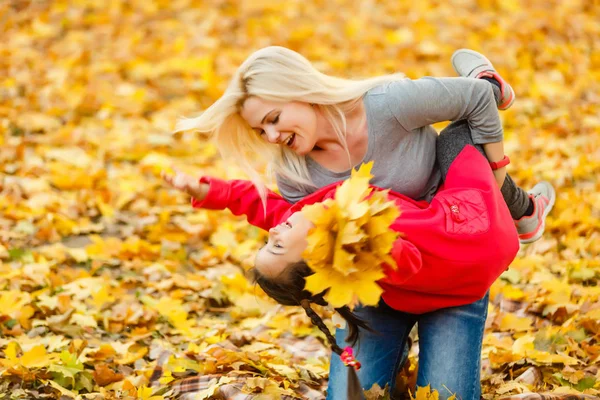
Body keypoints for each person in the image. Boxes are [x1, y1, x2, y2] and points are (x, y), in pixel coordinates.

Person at [171, 47, 556, 399]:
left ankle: (521, 199)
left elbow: (473, 103)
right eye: (261, 131)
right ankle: (392, 344)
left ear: (302, 91)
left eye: (273, 119)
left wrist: (500, 189)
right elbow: (277, 213)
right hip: (379, 291)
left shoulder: (387, 106)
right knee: (348, 395)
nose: (272, 136)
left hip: (455, 267)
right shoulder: (294, 172)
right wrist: (211, 192)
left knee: (446, 394)